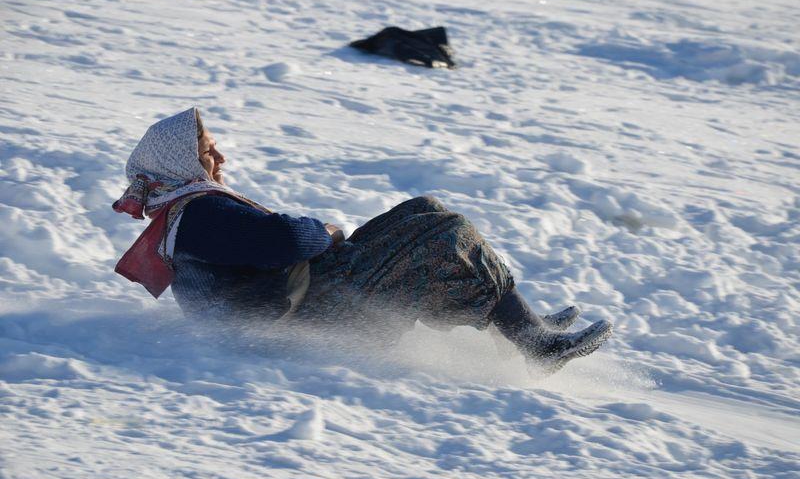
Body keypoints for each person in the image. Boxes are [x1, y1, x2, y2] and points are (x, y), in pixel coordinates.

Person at [113, 108, 612, 373]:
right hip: (302, 323)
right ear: (180, 162)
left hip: (302, 302)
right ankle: (533, 342)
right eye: (206, 150)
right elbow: (286, 240)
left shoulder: (189, 212)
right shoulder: (200, 214)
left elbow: (270, 247)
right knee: (443, 233)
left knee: (425, 212)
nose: (218, 158)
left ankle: (522, 323)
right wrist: (324, 231)